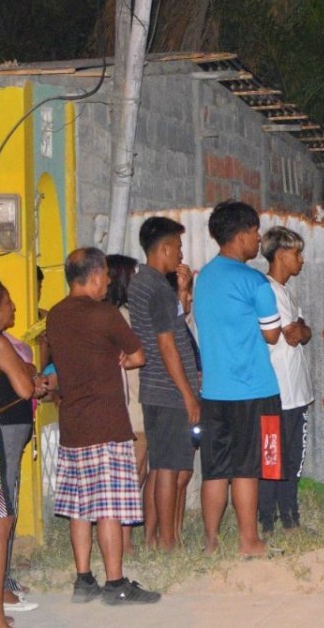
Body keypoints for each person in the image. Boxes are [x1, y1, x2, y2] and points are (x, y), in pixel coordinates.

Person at [46, 248, 159, 605]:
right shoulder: (105, 314)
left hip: (73, 424)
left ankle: (83, 579)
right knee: (108, 506)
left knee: (80, 507)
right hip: (106, 423)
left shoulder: (56, 316)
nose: (108, 281)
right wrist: (123, 357)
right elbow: (139, 355)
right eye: (106, 274)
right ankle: (115, 583)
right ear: (94, 275)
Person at [192, 201, 282, 558]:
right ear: (242, 233)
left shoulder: (204, 278)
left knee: (215, 471)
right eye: (256, 232)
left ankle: (211, 542)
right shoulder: (254, 280)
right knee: (248, 468)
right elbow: (273, 335)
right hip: (252, 389)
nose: (259, 239)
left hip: (213, 391)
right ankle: (249, 541)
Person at [131, 217, 201, 551]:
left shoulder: (143, 283)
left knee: (160, 467)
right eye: (178, 246)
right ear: (164, 247)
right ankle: (169, 541)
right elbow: (166, 344)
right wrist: (188, 394)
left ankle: (154, 539)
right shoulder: (156, 287)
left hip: (155, 388)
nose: (181, 253)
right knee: (170, 468)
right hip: (168, 390)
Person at [0, 273, 43, 615]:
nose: (15, 307)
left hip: (0, 434)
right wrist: (29, 377)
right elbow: (22, 387)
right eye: (7, 303)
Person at [258, 227, 314, 534]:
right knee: (271, 459)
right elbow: (289, 335)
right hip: (275, 390)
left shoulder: (286, 292)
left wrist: (301, 330)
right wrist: (297, 331)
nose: (301, 259)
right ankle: (267, 520)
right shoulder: (265, 290)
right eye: (296, 253)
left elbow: (301, 332)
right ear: (280, 255)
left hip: (295, 392)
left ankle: (290, 517)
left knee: (292, 459)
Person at [105, 254, 149, 555]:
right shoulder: (121, 315)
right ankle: (124, 542)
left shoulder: (112, 313)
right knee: (131, 476)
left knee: (132, 474)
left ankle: (124, 540)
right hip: (130, 404)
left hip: (127, 402)